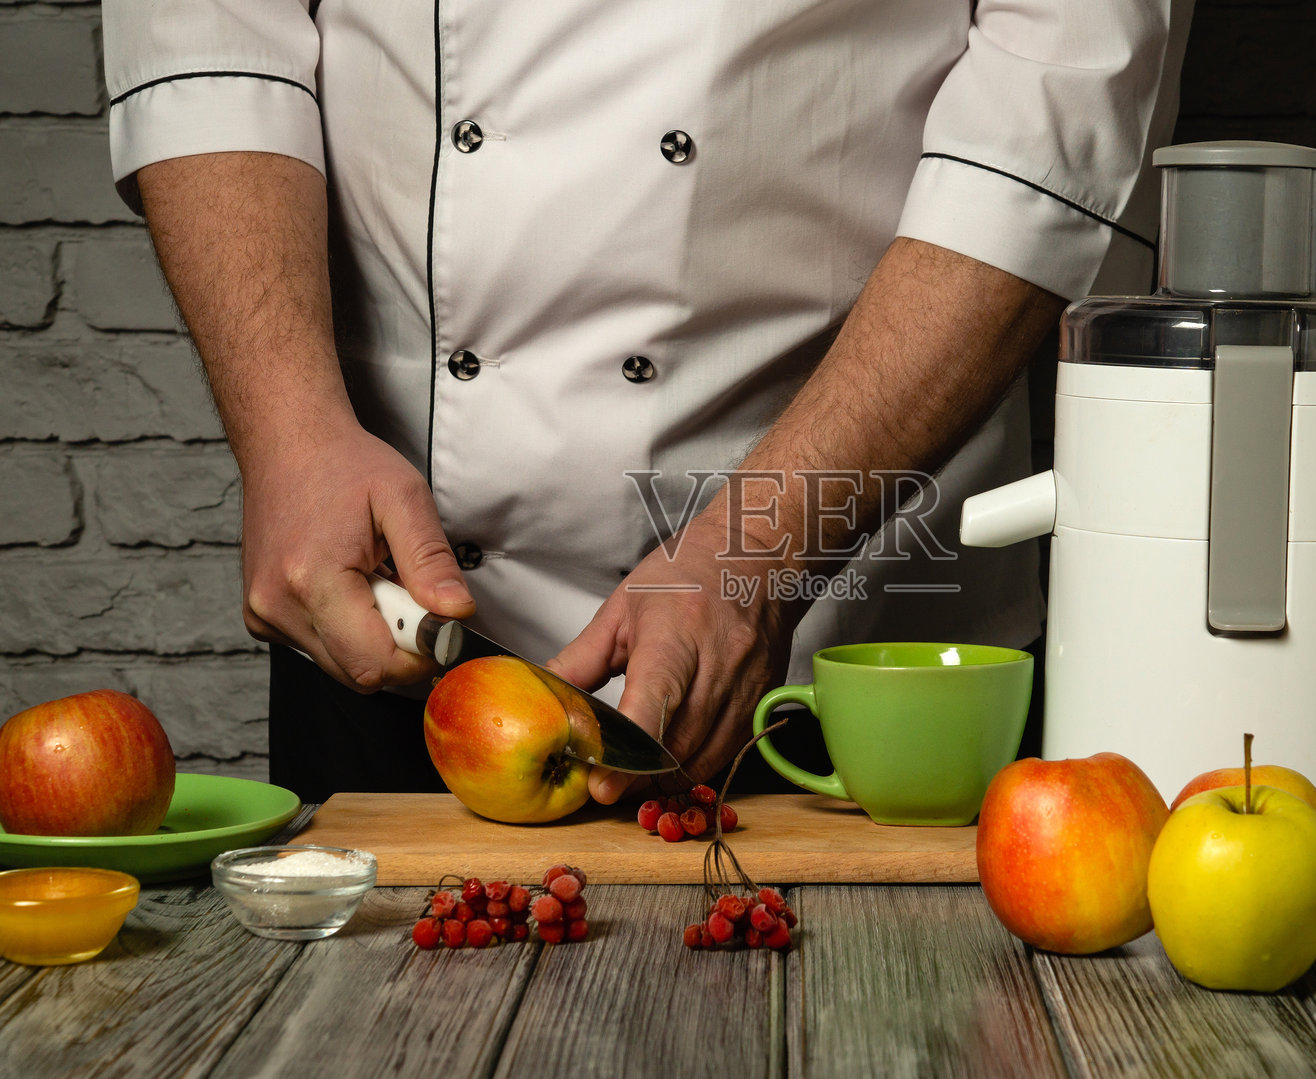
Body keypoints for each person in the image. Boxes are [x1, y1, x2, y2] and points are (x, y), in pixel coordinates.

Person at [102, 2, 1191, 803]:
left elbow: (1062, 85)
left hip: (852, 645)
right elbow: (206, 33)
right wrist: (287, 427)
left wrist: (764, 546)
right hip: (385, 616)